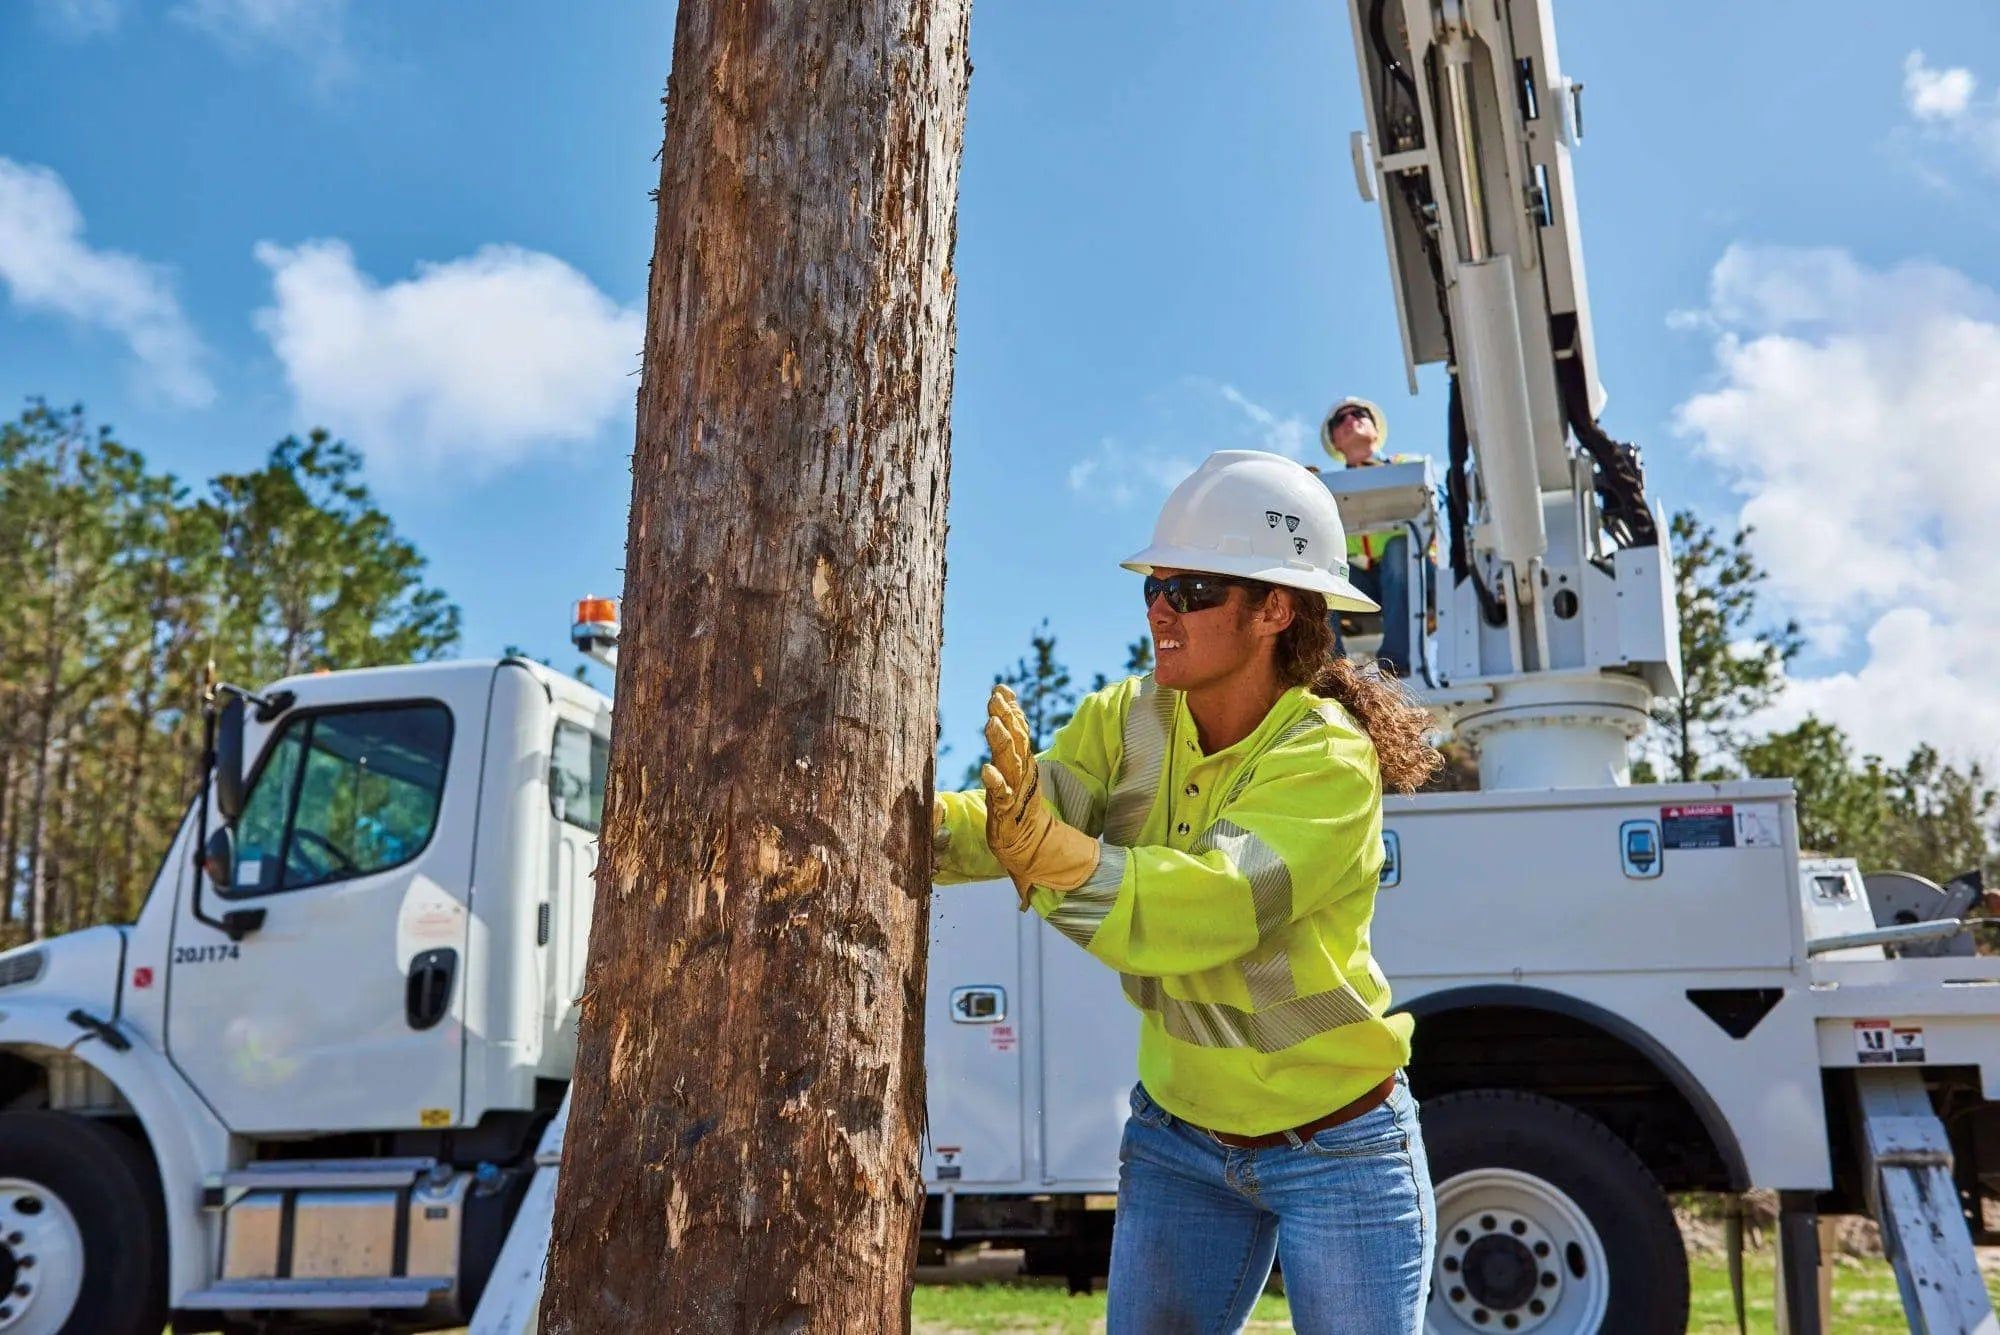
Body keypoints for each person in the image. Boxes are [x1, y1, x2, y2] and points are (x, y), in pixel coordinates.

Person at [934, 449, 1442, 1333]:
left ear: (1275, 608)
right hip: (1178, 1138)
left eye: (1194, 590)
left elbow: (1212, 907)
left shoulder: (1326, 756)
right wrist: (903, 827)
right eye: (1155, 587)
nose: (1162, 610)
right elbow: (1017, 815)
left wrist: (1053, 860)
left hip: (1339, 1145)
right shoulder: (1123, 719)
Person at [1321, 396, 1426, 676]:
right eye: (1339, 420)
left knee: (1397, 549)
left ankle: (1394, 663)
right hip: (1363, 584)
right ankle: (1333, 669)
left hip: (1410, 577)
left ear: (1375, 431)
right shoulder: (1325, 489)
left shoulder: (1407, 465)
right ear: (1335, 441)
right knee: (1319, 574)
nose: (1349, 420)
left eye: (1358, 414)